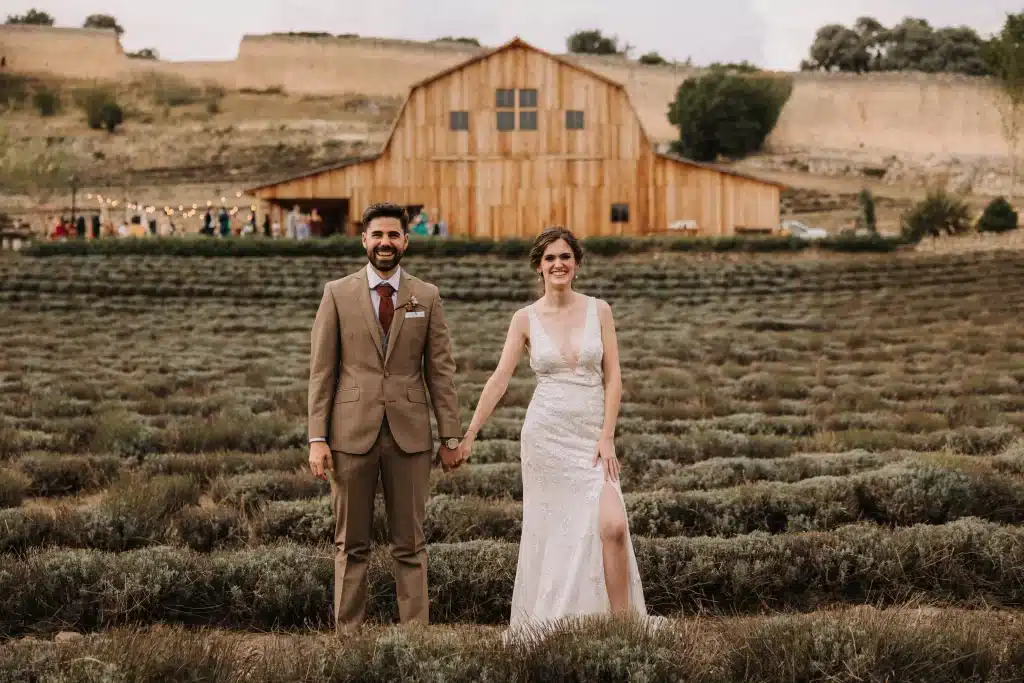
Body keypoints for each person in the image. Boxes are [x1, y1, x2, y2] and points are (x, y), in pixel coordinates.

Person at [457, 226, 648, 640]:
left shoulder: (600, 310)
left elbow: (613, 378)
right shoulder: (524, 318)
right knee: (556, 533)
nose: (558, 264)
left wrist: (607, 435)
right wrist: (470, 432)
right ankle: (559, 623)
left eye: (565, 257)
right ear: (539, 267)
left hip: (592, 438)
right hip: (545, 438)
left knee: (613, 526)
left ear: (575, 264)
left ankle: (625, 629)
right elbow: (499, 379)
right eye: (550, 258)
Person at [307, 201, 466, 633]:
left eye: (393, 235)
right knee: (350, 544)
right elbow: (323, 372)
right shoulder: (336, 294)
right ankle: (348, 639)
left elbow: (441, 371)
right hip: (349, 435)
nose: (384, 243)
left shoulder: (426, 297)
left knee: (410, 545)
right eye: (376, 235)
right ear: (364, 240)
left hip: (410, 437)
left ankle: (415, 640)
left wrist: (451, 437)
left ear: (406, 241)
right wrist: (316, 439)